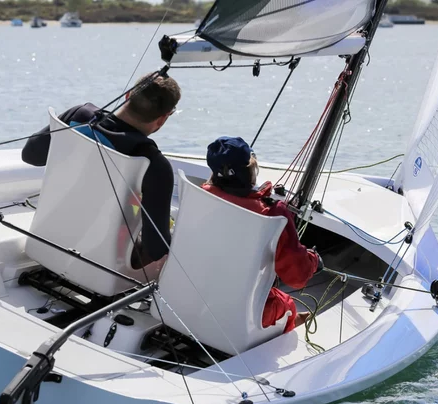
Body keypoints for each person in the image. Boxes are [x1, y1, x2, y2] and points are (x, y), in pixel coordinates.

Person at [21, 72, 181, 269]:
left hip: (46, 240)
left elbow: (30, 155)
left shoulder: (80, 115)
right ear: (163, 119)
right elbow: (156, 248)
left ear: (128, 95)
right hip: (102, 270)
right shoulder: (154, 164)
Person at [203, 136, 323, 333]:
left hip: (190, 293)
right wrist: (313, 260)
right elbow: (296, 277)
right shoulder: (273, 212)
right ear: (251, 168)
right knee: (287, 305)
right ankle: (290, 320)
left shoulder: (201, 195)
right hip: (241, 316)